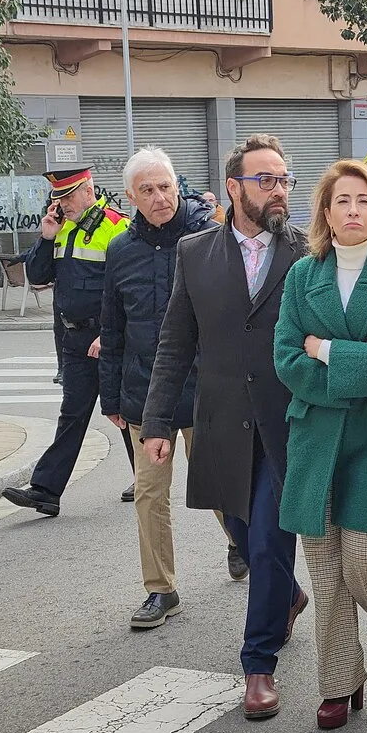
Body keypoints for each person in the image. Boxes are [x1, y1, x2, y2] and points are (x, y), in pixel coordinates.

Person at [141, 134, 311, 720]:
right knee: (241, 534)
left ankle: (258, 664)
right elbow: (174, 342)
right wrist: (157, 421)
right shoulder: (195, 253)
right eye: (266, 180)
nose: (279, 190)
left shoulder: (307, 252)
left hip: (287, 423)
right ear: (234, 187)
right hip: (220, 423)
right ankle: (288, 595)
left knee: (266, 541)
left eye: (285, 179)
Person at [274, 161, 367, 730]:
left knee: (363, 557)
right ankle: (339, 686)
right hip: (315, 437)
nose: (354, 210)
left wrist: (329, 350)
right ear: (327, 211)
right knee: (325, 569)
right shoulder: (301, 277)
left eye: (364, 200)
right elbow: (287, 358)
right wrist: (361, 360)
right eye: (343, 201)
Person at [98, 146, 241, 631]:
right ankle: (161, 590)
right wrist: (111, 396)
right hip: (146, 393)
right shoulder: (120, 252)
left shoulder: (210, 240)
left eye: (166, 186)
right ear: (130, 197)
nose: (160, 197)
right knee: (149, 495)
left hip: (206, 388)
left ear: (177, 185)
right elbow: (112, 328)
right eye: (148, 190)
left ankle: (240, 544)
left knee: (220, 485)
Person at [2, 166, 132, 517]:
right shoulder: (61, 228)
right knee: (72, 414)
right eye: (57, 198)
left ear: (88, 191)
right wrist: (45, 238)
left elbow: (126, 289)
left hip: (107, 339)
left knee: (126, 411)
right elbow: (39, 276)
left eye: (68, 196)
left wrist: (109, 333)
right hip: (74, 339)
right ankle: (46, 491)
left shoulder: (116, 225)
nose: (62, 204)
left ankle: (148, 478)